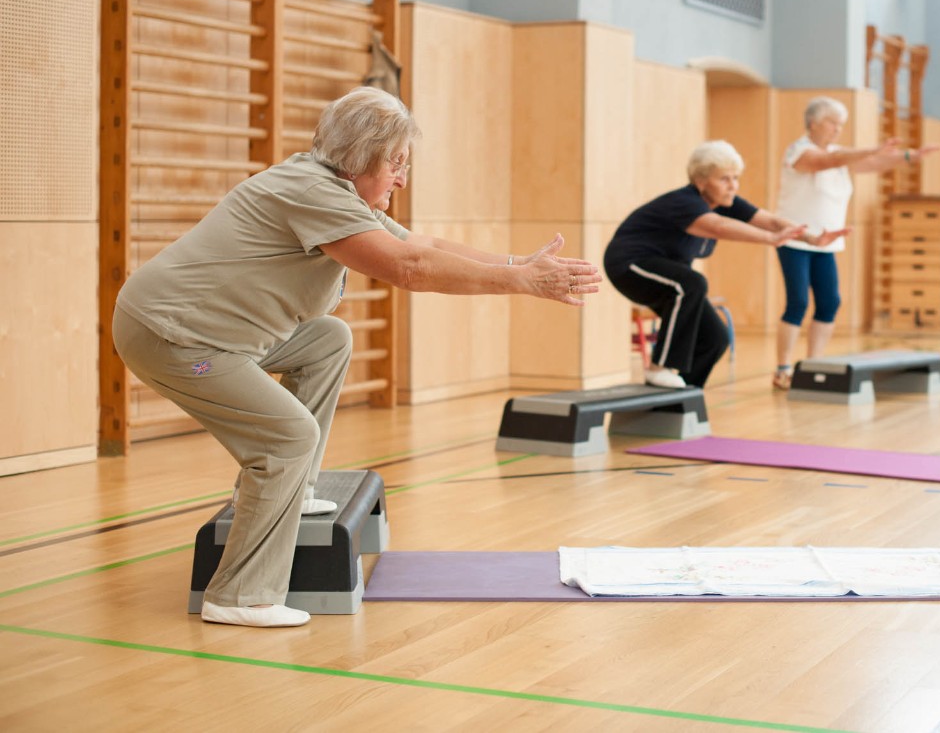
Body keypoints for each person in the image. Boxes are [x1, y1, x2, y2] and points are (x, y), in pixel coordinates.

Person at [112, 87, 601, 628]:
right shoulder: (310, 191)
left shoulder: (335, 190)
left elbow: (422, 243)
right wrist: (519, 281)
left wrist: (516, 263)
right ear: (361, 156)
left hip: (219, 330)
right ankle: (239, 594)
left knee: (327, 339)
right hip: (173, 335)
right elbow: (408, 268)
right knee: (286, 436)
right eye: (395, 163)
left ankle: (298, 492)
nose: (402, 178)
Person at [605, 140, 809, 390]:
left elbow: (772, 222)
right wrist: (770, 240)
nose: (733, 186)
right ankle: (659, 368)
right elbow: (718, 227)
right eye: (724, 179)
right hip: (629, 263)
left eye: (736, 178)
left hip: (665, 274)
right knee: (691, 283)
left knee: (714, 338)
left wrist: (813, 237)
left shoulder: (728, 202)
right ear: (701, 181)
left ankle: (682, 397)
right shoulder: (685, 202)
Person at [772, 96, 940, 389]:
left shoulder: (841, 154)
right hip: (795, 239)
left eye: (841, 125)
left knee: (830, 301)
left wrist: (910, 156)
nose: (838, 130)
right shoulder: (798, 151)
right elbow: (825, 161)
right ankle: (783, 368)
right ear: (813, 122)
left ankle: (813, 363)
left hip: (826, 243)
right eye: (832, 123)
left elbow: (873, 162)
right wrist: (871, 148)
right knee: (797, 302)